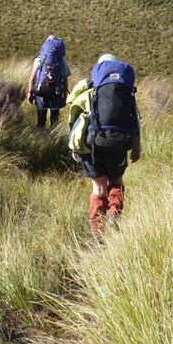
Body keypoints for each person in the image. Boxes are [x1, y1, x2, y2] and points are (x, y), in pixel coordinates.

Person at [67, 54, 141, 235]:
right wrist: (137, 147)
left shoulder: (88, 91)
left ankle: (97, 232)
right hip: (119, 144)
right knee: (116, 182)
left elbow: (72, 113)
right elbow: (135, 122)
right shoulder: (126, 94)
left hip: (91, 146)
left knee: (98, 188)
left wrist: (74, 145)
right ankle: (114, 218)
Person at [27, 35, 71, 129]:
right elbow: (65, 82)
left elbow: (32, 78)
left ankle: (40, 140)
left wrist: (30, 93)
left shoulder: (39, 60)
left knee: (41, 121)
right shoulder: (63, 62)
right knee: (54, 122)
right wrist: (64, 99)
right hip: (56, 93)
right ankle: (54, 140)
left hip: (41, 92)